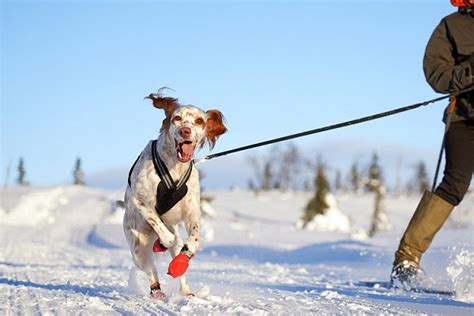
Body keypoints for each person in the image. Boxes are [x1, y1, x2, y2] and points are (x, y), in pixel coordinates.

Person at [391, 0, 474, 287]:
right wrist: (469, 72)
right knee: (454, 184)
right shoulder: (451, 25)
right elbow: (436, 74)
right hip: (464, 118)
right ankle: (407, 258)